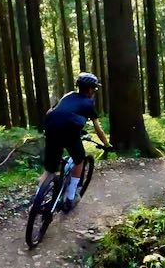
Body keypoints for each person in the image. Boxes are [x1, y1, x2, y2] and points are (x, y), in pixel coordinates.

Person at [40, 72, 111, 211]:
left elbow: (57, 111)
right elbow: (98, 130)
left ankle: (36, 200)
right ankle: (71, 197)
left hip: (50, 128)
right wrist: (107, 144)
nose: (95, 92)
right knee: (79, 159)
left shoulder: (68, 95)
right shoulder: (88, 103)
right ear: (90, 89)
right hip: (69, 132)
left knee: (50, 169)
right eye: (95, 89)